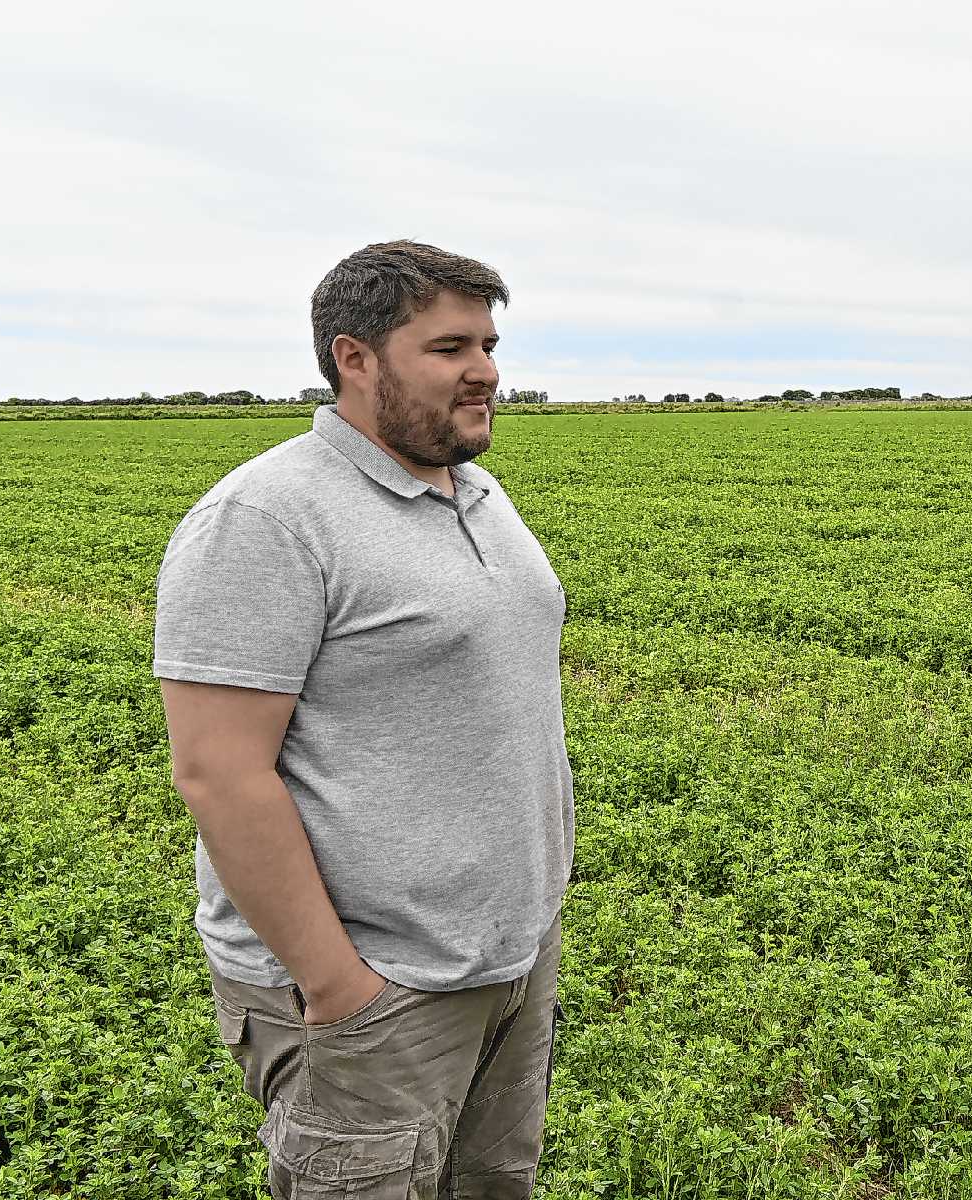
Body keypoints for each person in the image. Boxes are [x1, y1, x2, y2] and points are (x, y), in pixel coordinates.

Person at [154, 240, 573, 1198]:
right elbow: (220, 772)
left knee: (491, 1183)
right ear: (355, 358)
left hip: (508, 958)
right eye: (450, 348)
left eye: (490, 344)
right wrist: (340, 985)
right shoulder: (267, 518)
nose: (486, 371)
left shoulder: (475, 489)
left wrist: (532, 910)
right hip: (375, 987)